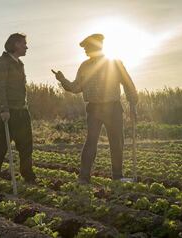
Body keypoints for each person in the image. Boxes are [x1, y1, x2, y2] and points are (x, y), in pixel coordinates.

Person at [52, 33, 138, 184]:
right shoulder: (85, 66)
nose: (85, 51)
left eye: (88, 47)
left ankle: (117, 176)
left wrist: (133, 105)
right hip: (94, 109)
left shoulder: (115, 63)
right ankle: (84, 177)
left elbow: (128, 84)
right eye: (84, 48)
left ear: (98, 46)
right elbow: (76, 87)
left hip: (113, 107)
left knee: (117, 142)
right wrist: (62, 79)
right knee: (91, 142)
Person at [0, 33, 36, 186]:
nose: (26, 47)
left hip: (21, 111)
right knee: (0, 147)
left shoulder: (19, 64)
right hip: (8, 111)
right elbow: (0, 88)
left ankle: (28, 176)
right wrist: (4, 109)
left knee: (26, 146)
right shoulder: (1, 63)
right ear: (15, 45)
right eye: (23, 44)